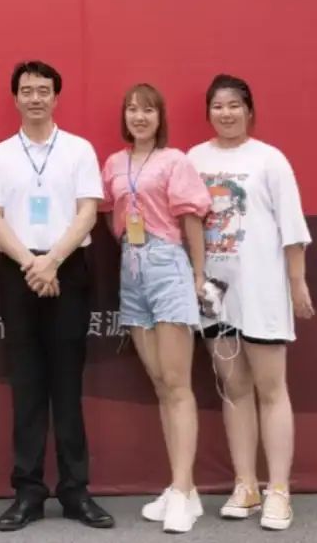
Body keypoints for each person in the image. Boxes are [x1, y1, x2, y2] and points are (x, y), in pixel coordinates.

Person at [0, 60, 114, 532]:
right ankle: (28, 492)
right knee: (27, 385)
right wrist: (31, 263)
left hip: (68, 269)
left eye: (43, 90)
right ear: (15, 98)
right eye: (26, 90)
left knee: (67, 386)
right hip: (18, 270)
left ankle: (75, 491)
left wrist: (52, 260)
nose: (35, 98)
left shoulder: (78, 149)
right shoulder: (0, 154)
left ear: (56, 97)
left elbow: (87, 212)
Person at [186, 74, 315, 532]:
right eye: (218, 106)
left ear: (249, 110)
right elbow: (186, 222)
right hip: (214, 290)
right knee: (233, 386)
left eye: (234, 105)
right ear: (208, 112)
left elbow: (292, 228)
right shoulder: (193, 159)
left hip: (262, 289)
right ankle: (246, 484)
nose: (226, 113)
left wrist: (296, 283)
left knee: (270, 387)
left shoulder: (270, 159)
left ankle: (279, 489)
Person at [99, 83, 211, 534]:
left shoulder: (175, 161)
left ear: (160, 117)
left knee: (179, 384)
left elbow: (191, 219)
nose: (139, 117)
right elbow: (110, 215)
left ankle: (182, 490)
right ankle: (182, 487)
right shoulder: (114, 163)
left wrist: (198, 275)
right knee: (162, 384)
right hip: (131, 268)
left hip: (168, 266)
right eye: (132, 109)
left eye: (148, 110)